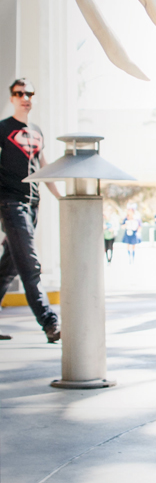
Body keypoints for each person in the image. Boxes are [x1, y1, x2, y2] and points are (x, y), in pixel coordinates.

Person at [0, 78, 61, 342]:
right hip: (10, 203)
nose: (25, 98)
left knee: (9, 266)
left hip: (32, 205)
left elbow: (43, 167)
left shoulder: (37, 132)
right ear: (12, 98)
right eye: (19, 93)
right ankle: (50, 323)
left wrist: (60, 197)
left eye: (29, 93)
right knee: (30, 264)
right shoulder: (3, 129)